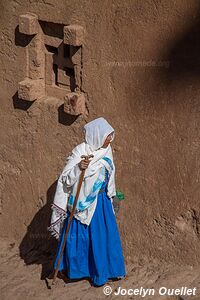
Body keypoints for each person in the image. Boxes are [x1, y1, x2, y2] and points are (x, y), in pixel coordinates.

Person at [47, 117, 126, 287]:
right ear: (97, 136)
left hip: (102, 202)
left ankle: (103, 271)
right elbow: (66, 180)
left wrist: (112, 196)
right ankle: (78, 271)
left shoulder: (106, 150)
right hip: (82, 204)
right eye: (107, 136)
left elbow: (110, 175)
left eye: (111, 136)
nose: (110, 139)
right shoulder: (80, 151)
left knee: (102, 237)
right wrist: (78, 168)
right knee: (81, 237)